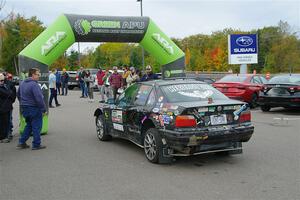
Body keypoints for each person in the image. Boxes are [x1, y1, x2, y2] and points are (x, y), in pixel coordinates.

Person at [17, 68, 46, 150]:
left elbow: (18, 95)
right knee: (37, 126)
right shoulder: (34, 84)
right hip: (34, 108)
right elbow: (39, 98)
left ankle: (22, 142)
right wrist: (43, 109)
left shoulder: (22, 83)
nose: (39, 76)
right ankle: (36, 144)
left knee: (29, 125)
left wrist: (23, 103)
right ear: (33, 75)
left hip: (25, 107)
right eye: (38, 74)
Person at [0, 73, 15, 143]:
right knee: (4, 123)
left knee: (7, 122)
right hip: (3, 108)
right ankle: (3, 137)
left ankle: (7, 134)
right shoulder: (3, 88)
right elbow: (8, 93)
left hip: (7, 107)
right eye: (0, 81)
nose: (2, 82)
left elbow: (12, 93)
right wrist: (9, 93)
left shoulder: (7, 84)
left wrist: (11, 99)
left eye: (3, 80)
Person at [4, 72, 17, 141]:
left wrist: (10, 101)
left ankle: (9, 133)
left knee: (8, 120)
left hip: (7, 106)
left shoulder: (9, 84)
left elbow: (13, 94)